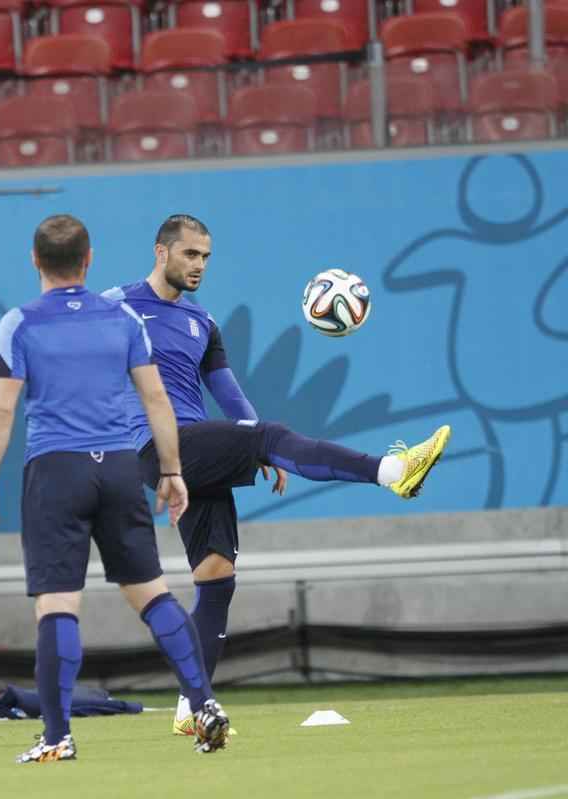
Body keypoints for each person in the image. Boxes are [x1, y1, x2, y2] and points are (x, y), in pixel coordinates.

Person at [102, 213, 451, 734]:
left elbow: (230, 396)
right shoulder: (116, 305)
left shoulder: (203, 324)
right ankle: (393, 470)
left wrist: (254, 445)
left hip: (196, 452)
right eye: (190, 254)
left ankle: (190, 707)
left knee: (216, 576)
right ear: (161, 252)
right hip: (155, 448)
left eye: (206, 257)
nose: (199, 265)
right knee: (269, 436)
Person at [0, 214, 230, 763]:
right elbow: (157, 400)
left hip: (54, 470)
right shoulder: (123, 318)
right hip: (116, 469)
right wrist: (173, 470)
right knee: (153, 593)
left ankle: (57, 736)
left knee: (58, 604)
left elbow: (0, 407)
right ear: (89, 261)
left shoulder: (19, 323)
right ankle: (204, 705)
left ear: (35, 261)